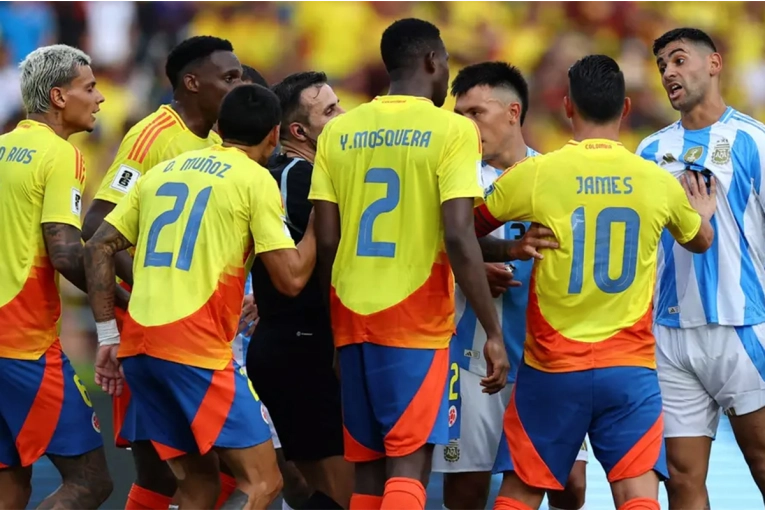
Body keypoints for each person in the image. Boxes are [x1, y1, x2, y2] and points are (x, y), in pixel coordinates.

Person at [475, 55, 716, 510]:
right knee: (636, 491)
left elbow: (463, 228)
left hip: (552, 367)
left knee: (522, 490)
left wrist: (511, 248)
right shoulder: (656, 181)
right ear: (625, 108)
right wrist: (701, 215)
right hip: (628, 368)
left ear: (567, 106)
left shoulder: (536, 173)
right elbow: (700, 241)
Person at [309, 18, 512, 510]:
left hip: (350, 315)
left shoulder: (339, 131)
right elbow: (460, 235)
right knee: (409, 462)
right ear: (432, 62)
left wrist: (334, 330)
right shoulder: (452, 130)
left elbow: (328, 242)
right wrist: (492, 331)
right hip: (414, 318)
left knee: (368, 471)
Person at [82, 84, 317, 509]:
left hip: (139, 347)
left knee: (199, 487)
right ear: (274, 133)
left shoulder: (163, 172)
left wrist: (106, 334)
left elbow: (98, 244)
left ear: (220, 127)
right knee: (264, 482)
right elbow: (292, 279)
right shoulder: (254, 179)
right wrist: (321, 218)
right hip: (195, 351)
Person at [81, 35, 243, 510]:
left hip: (204, 322)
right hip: (157, 325)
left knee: (201, 470)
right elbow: (96, 226)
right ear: (192, 82)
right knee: (182, 466)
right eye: (228, 78)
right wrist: (153, 284)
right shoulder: (154, 133)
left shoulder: (215, 141)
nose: (238, 87)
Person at [431, 61, 588, 510]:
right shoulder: (454, 179)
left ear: (513, 112)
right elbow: (429, 248)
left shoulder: (556, 174)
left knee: (570, 487)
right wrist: (474, 269)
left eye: (476, 113)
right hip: (472, 357)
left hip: (548, 358)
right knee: (466, 490)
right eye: (458, 114)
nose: (465, 125)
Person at [637, 27, 765, 508]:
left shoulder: (754, 141)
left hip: (743, 328)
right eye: (661, 66)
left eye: (678, 59)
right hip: (671, 336)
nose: (668, 72)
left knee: (762, 462)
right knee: (682, 478)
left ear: (713, 64)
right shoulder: (649, 153)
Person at [0, 44, 115, 509]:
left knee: (11, 484)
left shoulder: (3, 147)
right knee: (90, 481)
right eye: (89, 87)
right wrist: (123, 300)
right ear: (59, 96)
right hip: (23, 343)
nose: (101, 98)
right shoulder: (60, 155)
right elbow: (66, 253)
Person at [247, 70, 350, 510]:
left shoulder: (297, 172)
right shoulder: (294, 177)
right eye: (330, 110)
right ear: (297, 131)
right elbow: (312, 263)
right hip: (302, 345)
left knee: (312, 490)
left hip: (292, 342)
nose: (343, 116)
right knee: (343, 495)